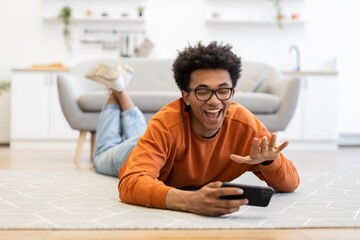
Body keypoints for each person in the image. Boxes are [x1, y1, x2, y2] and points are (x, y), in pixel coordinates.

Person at [88, 41, 300, 217]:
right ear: (186, 96)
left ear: (233, 93)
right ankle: (116, 92)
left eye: (223, 91)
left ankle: (119, 88)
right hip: (132, 152)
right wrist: (190, 201)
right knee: (102, 155)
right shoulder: (165, 124)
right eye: (202, 91)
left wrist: (270, 162)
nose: (215, 101)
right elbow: (131, 183)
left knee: (139, 134)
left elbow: (291, 183)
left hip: (153, 143)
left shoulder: (246, 126)